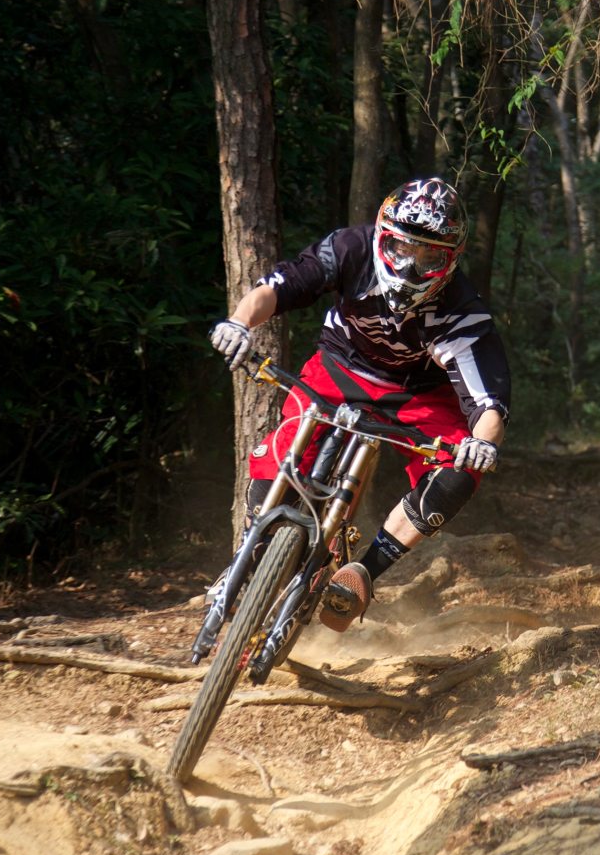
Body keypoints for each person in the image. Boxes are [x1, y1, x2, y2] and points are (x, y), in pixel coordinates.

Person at [208, 177, 510, 631]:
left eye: (430, 256)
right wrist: (238, 323)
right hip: (338, 368)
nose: (410, 267)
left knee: (460, 473)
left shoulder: (462, 312)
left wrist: (480, 445)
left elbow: (487, 404)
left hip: (418, 394)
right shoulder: (350, 248)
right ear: (380, 235)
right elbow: (279, 287)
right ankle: (248, 556)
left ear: (452, 261)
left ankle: (365, 569)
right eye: (402, 248)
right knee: (283, 448)